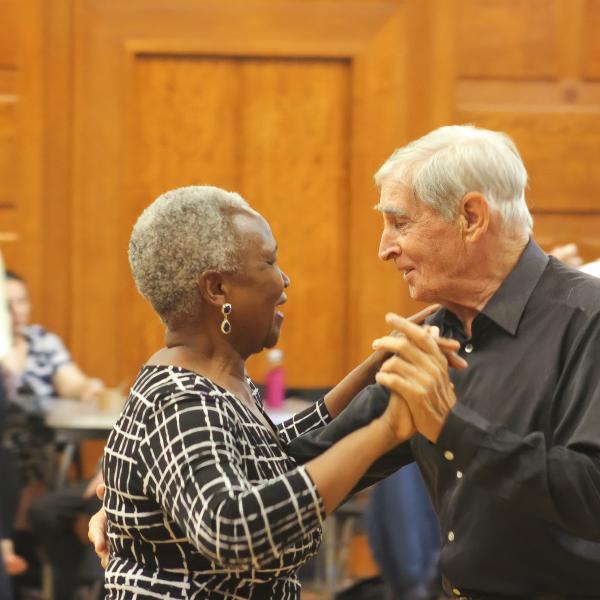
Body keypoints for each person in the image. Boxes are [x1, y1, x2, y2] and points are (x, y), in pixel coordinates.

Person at [96, 185, 464, 600]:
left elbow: (265, 456)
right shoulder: (180, 400)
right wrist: (387, 430)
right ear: (216, 290)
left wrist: (366, 373)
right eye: (269, 262)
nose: (284, 279)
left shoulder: (215, 378)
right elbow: (232, 528)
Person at [285, 124, 600, 598]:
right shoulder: (438, 332)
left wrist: (453, 428)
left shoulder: (588, 320)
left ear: (471, 217)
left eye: (401, 222)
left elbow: (592, 496)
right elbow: (313, 463)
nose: (384, 248)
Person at [2, 271, 103, 402]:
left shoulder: (43, 341)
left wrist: (86, 388)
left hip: (41, 421)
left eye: (22, 301)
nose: (17, 310)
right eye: (6, 304)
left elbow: (71, 382)